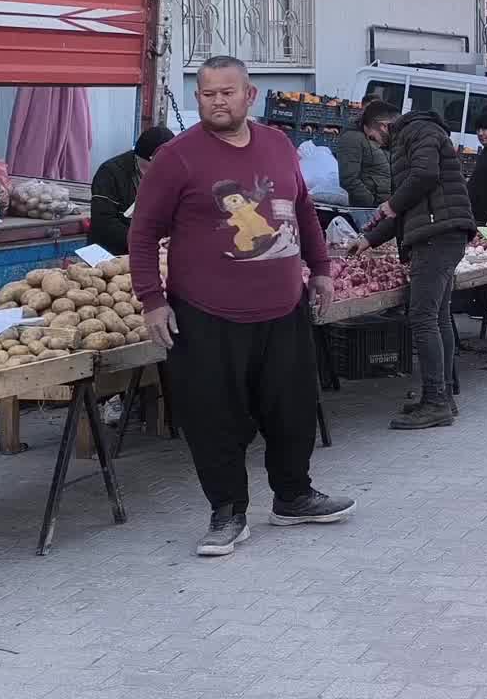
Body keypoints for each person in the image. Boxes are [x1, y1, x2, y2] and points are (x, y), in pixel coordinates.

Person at [128, 56, 351, 558]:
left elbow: (304, 211)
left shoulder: (276, 143)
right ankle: (227, 512)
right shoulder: (177, 158)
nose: (218, 101)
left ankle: (293, 496)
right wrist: (152, 300)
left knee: (292, 409)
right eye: (208, 94)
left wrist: (320, 269)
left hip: (282, 306)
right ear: (198, 98)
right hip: (207, 314)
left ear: (249, 95)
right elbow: (142, 233)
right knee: (215, 418)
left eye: (228, 92)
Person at [353, 103, 476, 431]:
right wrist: (368, 239)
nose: (377, 145)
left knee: (422, 318)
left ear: (381, 126)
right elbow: (406, 210)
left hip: (438, 236)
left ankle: (436, 402)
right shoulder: (415, 136)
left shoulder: (418, 131)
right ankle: (442, 396)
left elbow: (424, 176)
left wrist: (391, 204)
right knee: (438, 317)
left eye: (373, 138)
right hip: (442, 233)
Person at [90, 125, 174, 256]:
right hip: (110, 252)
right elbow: (103, 222)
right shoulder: (110, 173)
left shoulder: (172, 173)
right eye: (149, 168)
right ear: (138, 157)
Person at [334, 101, 399, 208]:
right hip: (370, 209)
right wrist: (372, 204)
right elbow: (349, 179)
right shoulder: (352, 138)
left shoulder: (386, 140)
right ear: (381, 125)